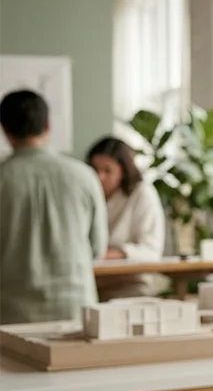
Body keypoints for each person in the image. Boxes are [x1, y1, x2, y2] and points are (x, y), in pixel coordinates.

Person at [0, 90, 107, 325]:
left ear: (5, 130)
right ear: (48, 125)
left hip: (11, 315)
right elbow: (97, 247)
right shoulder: (84, 175)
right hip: (76, 310)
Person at [87, 136, 167, 299]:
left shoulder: (142, 194)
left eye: (107, 171)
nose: (99, 177)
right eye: (95, 169)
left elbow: (151, 252)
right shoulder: (87, 194)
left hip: (132, 285)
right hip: (92, 284)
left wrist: (108, 255)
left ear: (123, 171)